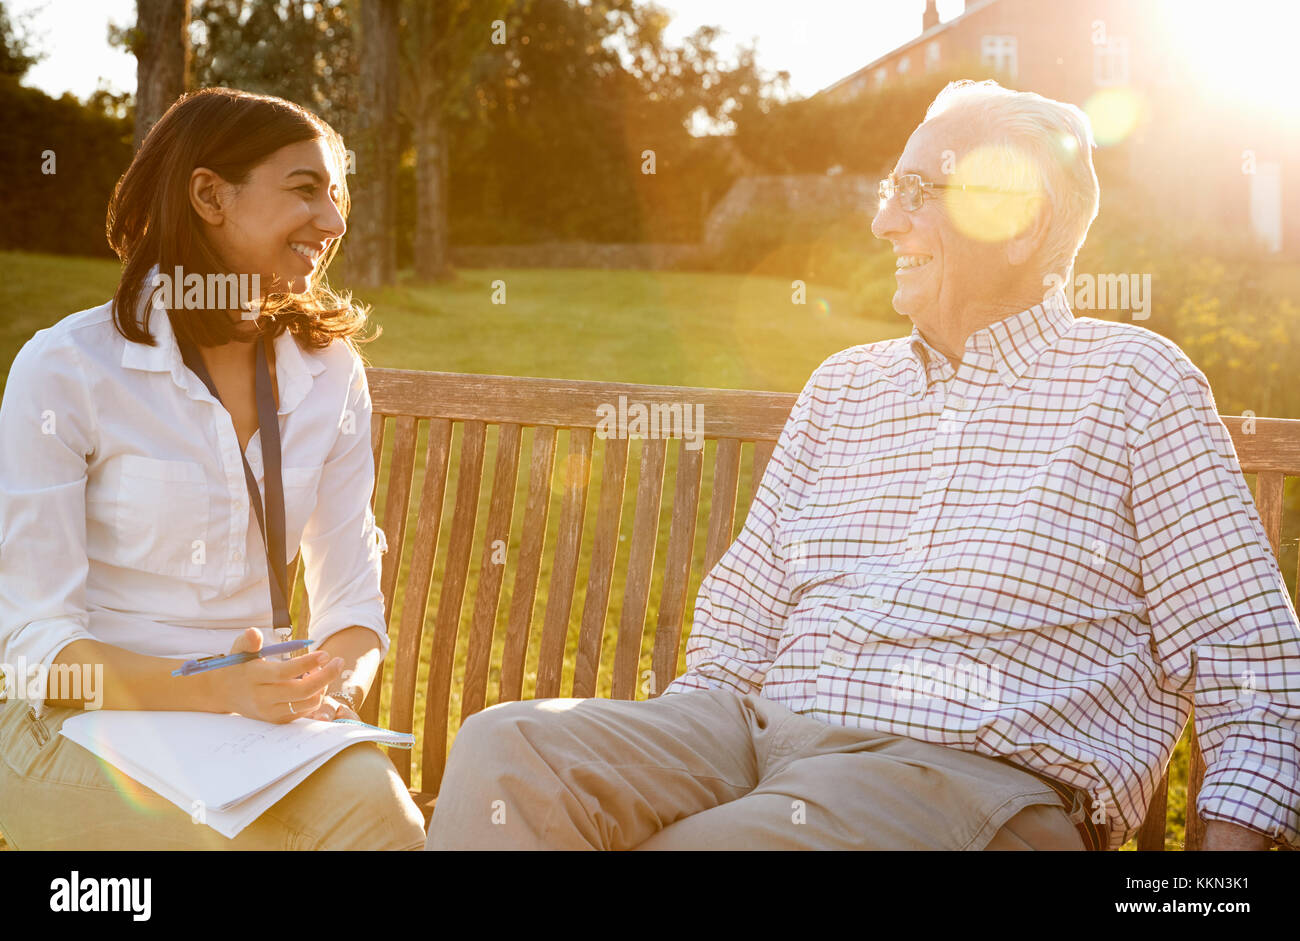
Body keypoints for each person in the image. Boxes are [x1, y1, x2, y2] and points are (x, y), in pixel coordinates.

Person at [426, 80, 1300, 851]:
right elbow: (742, 615)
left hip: (964, 778)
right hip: (759, 736)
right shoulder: (844, 385)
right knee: (512, 752)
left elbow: (1250, 656)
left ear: (1021, 218)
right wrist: (679, 758)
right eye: (893, 189)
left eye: (919, 192)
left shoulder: (1135, 385)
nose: (886, 219)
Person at [0, 88, 425, 850]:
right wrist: (214, 689)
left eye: (337, 196)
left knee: (385, 820)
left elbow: (351, 597)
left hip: (252, 731)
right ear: (209, 195)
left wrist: (330, 686)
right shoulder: (66, 371)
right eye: (305, 190)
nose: (333, 222)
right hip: (72, 726)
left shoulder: (330, 372)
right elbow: (37, 650)